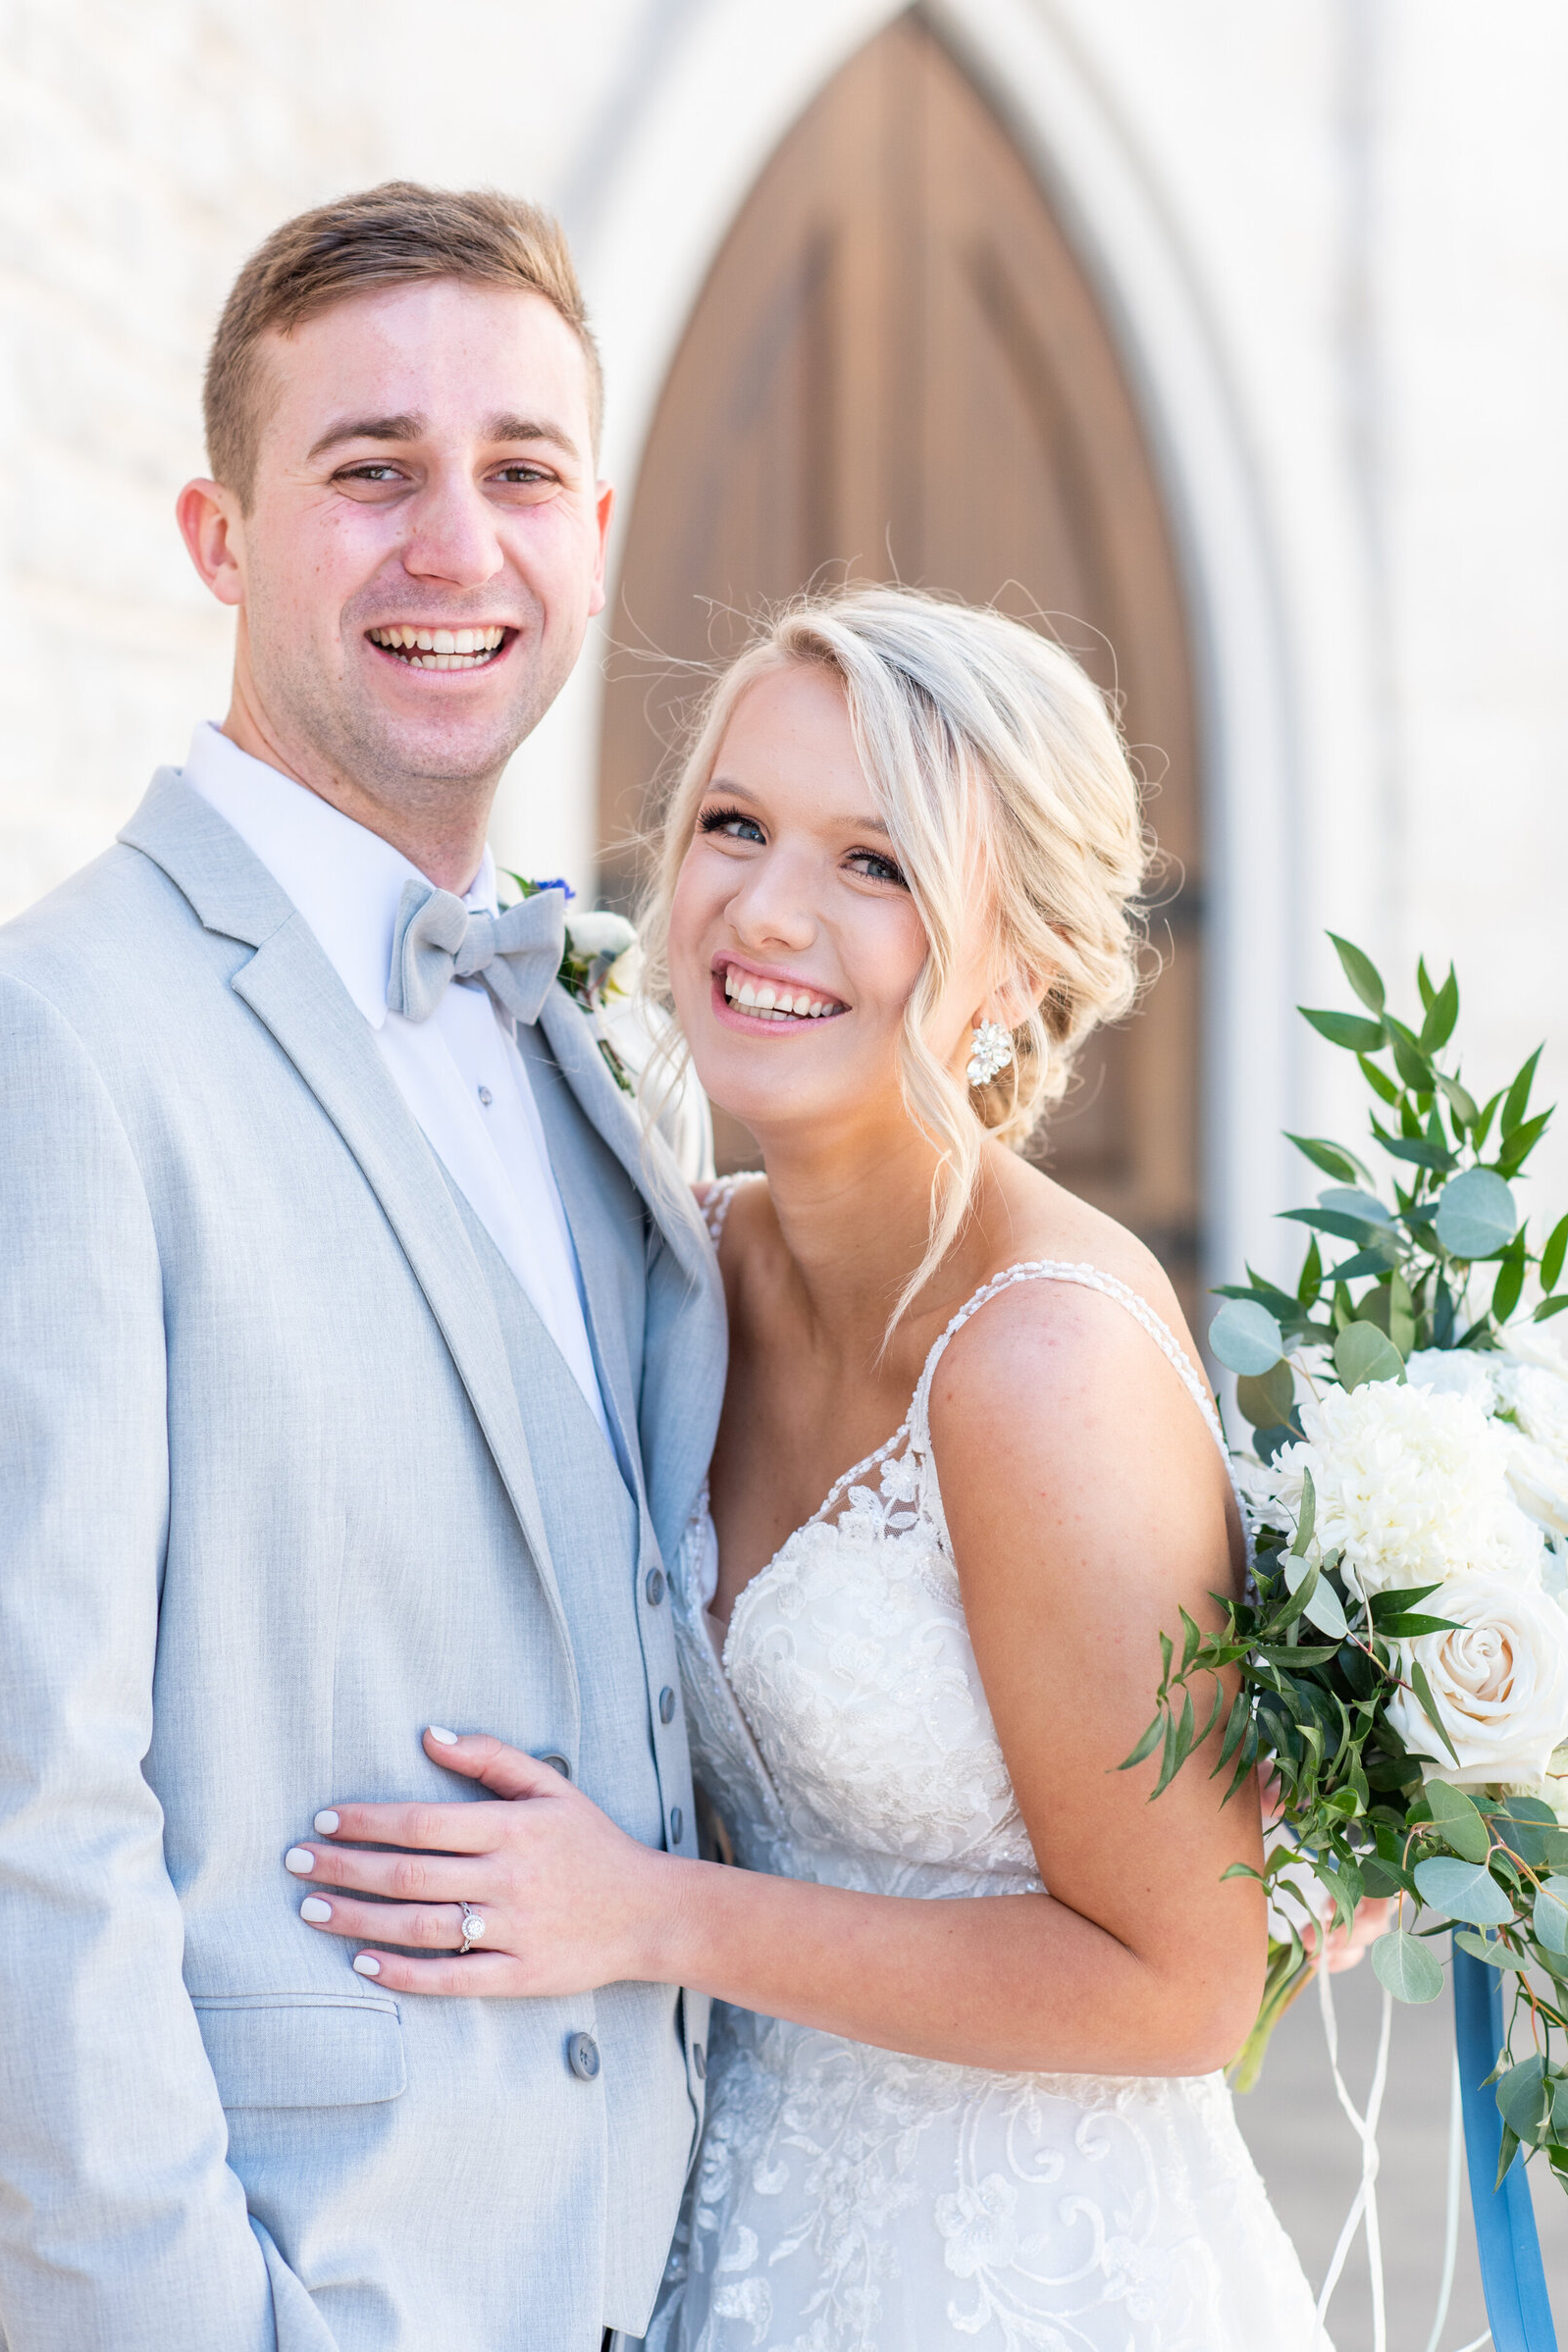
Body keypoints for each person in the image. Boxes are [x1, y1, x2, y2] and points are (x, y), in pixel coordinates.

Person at [293, 587, 1328, 2347]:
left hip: (1035, 2276)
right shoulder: (674, 1265)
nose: (765, 909)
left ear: (1024, 968)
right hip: (736, 2241)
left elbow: (1183, 1976)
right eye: (736, 824)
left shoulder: (1040, 1359)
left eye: (880, 864)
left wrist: (648, 1915)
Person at [0, 183, 724, 2351]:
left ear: (590, 523)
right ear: (220, 534)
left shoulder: (610, 1044)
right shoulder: (65, 1041)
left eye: (514, 474)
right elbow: (30, 1803)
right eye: (370, 472)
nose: (454, 545)